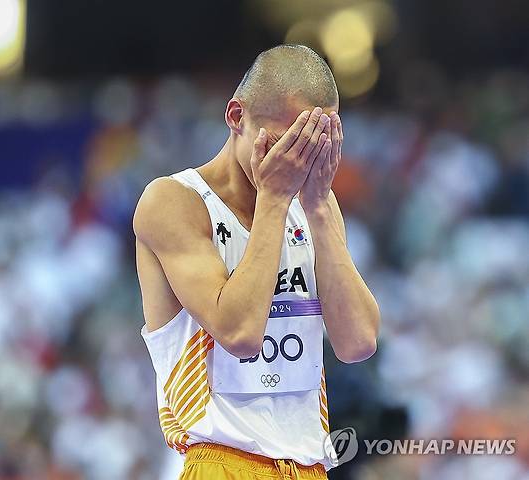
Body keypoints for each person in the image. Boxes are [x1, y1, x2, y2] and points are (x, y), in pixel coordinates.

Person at [134, 44, 380, 479]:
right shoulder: (174, 202)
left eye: (313, 146)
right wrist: (275, 200)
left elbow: (358, 343)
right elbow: (241, 332)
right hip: (223, 461)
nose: (297, 162)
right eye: (288, 144)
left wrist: (320, 206)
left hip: (308, 466)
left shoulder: (315, 202)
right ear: (236, 117)